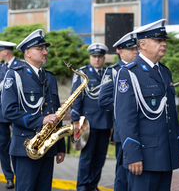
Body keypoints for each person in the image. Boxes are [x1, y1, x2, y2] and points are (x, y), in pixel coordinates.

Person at [114, 19, 179, 191]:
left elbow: (171, 115)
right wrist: (132, 155)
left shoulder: (164, 72)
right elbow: (125, 118)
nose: (163, 44)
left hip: (165, 154)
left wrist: (178, 146)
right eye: (158, 40)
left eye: (164, 40)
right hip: (144, 156)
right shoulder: (129, 73)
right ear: (143, 44)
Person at [1, 29, 66, 191]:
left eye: (46, 48)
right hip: (26, 147)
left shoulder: (50, 77)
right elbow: (9, 111)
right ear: (27, 52)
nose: (45, 52)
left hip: (48, 146)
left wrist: (60, 146)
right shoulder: (15, 75)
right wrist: (40, 120)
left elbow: (57, 112)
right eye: (40, 49)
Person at [70, 43, 113, 191]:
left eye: (100, 57)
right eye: (94, 56)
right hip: (87, 123)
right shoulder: (82, 73)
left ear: (104, 57)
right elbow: (76, 97)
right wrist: (75, 121)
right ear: (90, 57)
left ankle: (93, 185)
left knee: (100, 157)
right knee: (87, 157)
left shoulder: (109, 73)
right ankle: (82, 186)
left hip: (105, 122)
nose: (97, 60)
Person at [98, 31, 138, 191]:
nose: (135, 51)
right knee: (123, 174)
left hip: (141, 129)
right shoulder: (112, 72)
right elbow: (103, 100)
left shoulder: (138, 69)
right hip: (123, 131)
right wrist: (126, 107)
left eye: (136, 48)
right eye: (131, 49)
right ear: (119, 51)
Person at [0, 41, 25, 189]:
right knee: (2, 146)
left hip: (18, 112)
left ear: (5, 52)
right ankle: (9, 176)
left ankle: (21, 174)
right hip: (2, 114)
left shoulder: (21, 65)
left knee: (19, 144)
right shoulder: (0, 68)